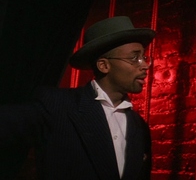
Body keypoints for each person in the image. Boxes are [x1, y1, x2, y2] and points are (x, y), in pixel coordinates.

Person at [0, 16, 155, 180]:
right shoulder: (56, 105)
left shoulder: (139, 127)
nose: (144, 65)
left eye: (144, 57)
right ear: (104, 65)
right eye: (134, 58)